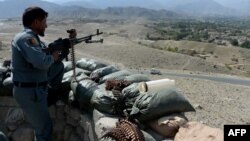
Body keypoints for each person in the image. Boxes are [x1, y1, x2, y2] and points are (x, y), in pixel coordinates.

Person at [11, 6, 65, 141]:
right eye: (44, 22)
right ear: (36, 22)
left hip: (33, 90)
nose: (46, 25)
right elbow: (41, 62)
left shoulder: (33, 38)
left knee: (42, 130)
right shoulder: (27, 38)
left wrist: (60, 51)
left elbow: (44, 59)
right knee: (44, 131)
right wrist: (53, 56)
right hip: (30, 91)